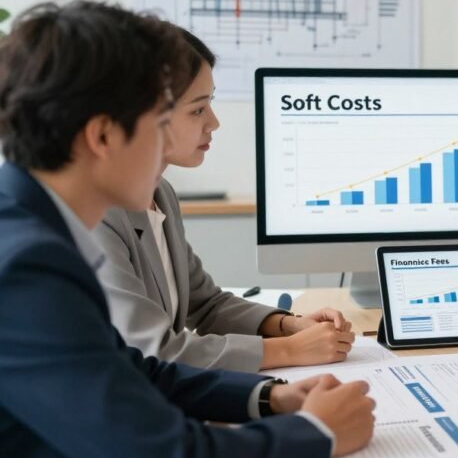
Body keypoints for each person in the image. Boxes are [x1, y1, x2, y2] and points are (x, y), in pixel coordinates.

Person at [0, 0, 375, 458]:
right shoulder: (24, 270)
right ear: (103, 135)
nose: (164, 152)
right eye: (161, 124)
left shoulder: (34, 228)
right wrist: (317, 434)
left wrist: (270, 398)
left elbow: (132, 371)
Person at [97, 29, 354, 372]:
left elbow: (207, 304)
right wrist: (289, 351)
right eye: (198, 110)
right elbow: (152, 349)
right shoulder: (98, 213)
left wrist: (288, 325)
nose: (214, 123)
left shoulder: (160, 194)